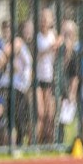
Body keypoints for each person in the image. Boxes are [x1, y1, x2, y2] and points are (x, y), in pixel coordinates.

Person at [35, 8, 61, 144]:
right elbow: (36, 57)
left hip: (50, 78)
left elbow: (58, 57)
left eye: (47, 18)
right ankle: (37, 143)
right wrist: (49, 49)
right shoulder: (37, 36)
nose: (44, 21)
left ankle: (48, 143)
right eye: (43, 18)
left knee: (49, 115)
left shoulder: (53, 35)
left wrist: (60, 45)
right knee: (40, 113)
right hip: (38, 79)